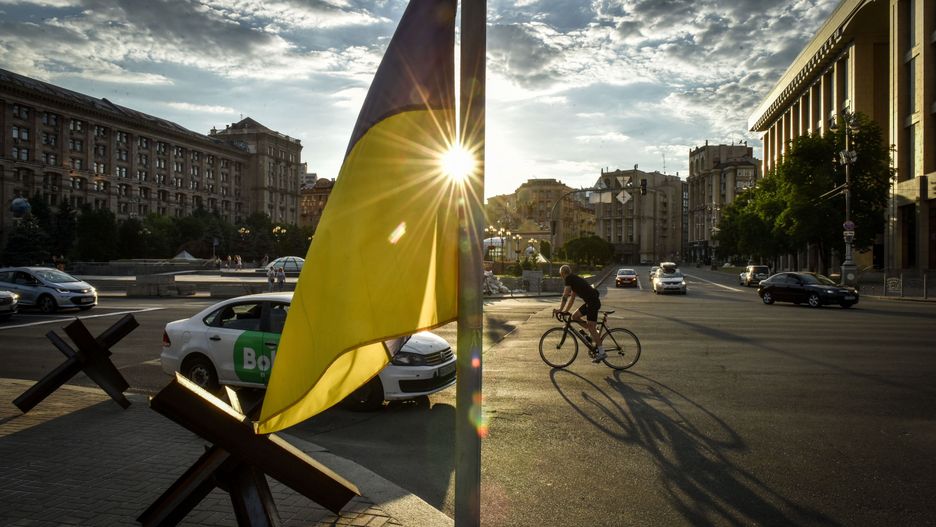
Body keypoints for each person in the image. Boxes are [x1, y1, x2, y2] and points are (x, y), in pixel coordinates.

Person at [553, 264, 605, 361]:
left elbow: (565, 296)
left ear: (563, 273)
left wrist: (560, 310)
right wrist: (565, 311)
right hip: (590, 302)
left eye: (561, 275)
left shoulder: (569, 279)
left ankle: (602, 352)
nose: (561, 277)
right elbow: (571, 299)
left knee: (591, 327)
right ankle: (593, 332)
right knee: (574, 316)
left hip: (592, 303)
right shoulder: (574, 279)